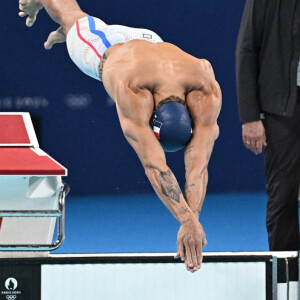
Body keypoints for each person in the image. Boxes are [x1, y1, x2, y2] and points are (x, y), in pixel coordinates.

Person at [18, 0, 222, 270]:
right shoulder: (131, 87)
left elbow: (198, 165)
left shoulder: (203, 77)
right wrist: (186, 220)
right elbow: (154, 164)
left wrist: (192, 221)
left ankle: (66, 30)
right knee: (70, 16)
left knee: (74, 19)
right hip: (105, 48)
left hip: (150, 40)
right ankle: (51, 17)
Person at [236, 0, 300, 251]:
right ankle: (285, 281)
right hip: (282, 111)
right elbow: (246, 49)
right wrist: (250, 116)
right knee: (283, 198)